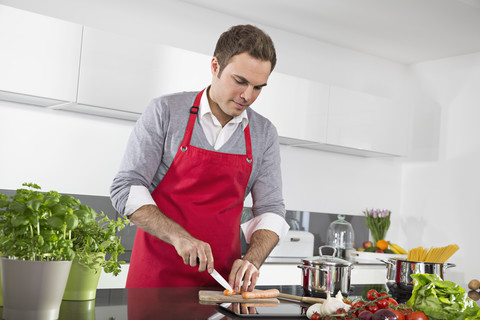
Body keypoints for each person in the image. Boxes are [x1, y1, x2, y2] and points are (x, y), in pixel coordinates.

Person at [110, 24, 289, 292]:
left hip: (223, 285)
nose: (247, 96)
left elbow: (271, 209)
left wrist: (252, 260)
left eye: (258, 87)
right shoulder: (166, 111)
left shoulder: (264, 133)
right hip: (156, 279)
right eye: (240, 81)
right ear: (215, 66)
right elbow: (125, 188)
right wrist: (180, 237)